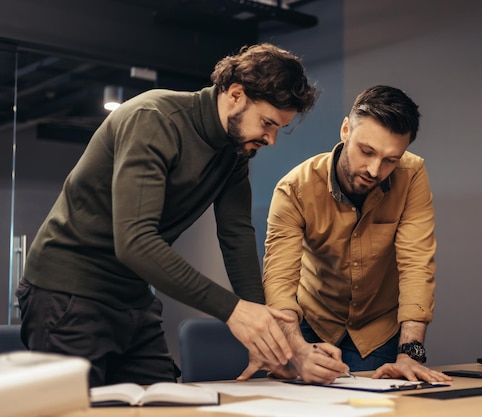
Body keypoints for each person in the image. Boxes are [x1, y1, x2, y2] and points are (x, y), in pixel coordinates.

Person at [16, 43, 318, 387]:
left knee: (166, 403)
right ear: (236, 95)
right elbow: (135, 242)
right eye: (267, 123)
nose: (272, 139)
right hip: (67, 294)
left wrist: (268, 336)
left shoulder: (234, 153)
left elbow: (236, 235)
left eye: (279, 127)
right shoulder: (155, 119)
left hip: (132, 299)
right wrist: (235, 311)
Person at [244, 85, 452, 384]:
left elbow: (416, 265)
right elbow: (279, 280)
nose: (375, 169)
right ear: (345, 130)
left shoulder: (412, 174)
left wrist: (411, 352)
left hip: (376, 331)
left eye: (391, 159)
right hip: (310, 325)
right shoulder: (294, 189)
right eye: (366, 151)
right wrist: (295, 349)